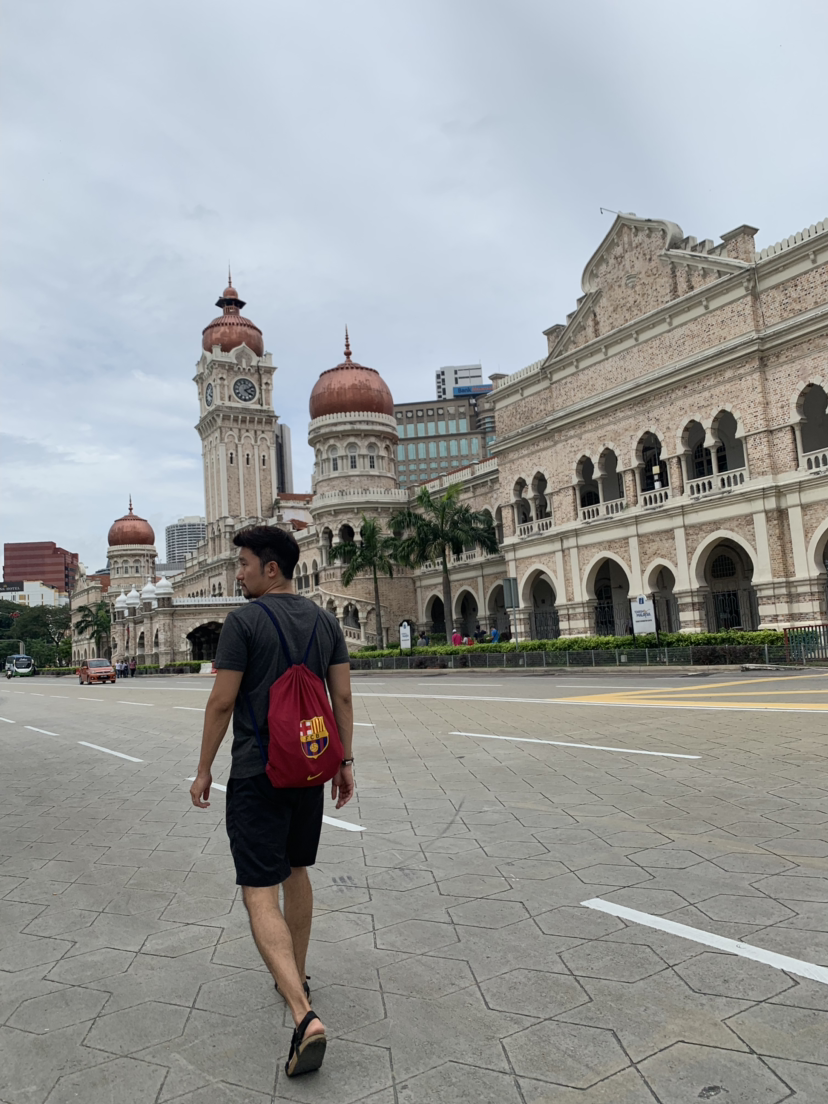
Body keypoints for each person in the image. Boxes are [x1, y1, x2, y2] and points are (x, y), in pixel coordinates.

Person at [189, 525, 354, 1078]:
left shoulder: (244, 622)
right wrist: (345, 762)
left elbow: (221, 702)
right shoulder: (326, 621)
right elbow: (342, 695)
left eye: (243, 564)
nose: (237, 574)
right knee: (297, 871)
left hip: (258, 773)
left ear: (271, 568)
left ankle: (303, 1015)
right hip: (309, 767)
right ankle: (295, 975)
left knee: (258, 891)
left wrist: (204, 769)